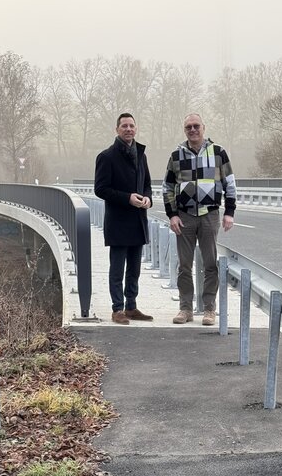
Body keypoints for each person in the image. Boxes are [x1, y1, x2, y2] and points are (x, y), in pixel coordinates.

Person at [162, 113, 236, 325]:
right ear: (184, 130)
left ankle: (209, 309)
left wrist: (229, 212)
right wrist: (172, 214)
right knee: (184, 265)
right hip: (184, 216)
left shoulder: (218, 152)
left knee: (210, 263)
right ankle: (185, 309)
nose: (192, 130)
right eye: (188, 127)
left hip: (209, 214)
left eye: (196, 126)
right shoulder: (176, 156)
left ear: (203, 127)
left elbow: (230, 184)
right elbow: (167, 187)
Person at [94, 112, 153, 324]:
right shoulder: (106, 156)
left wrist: (147, 198)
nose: (128, 129)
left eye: (131, 126)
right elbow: (100, 189)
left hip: (138, 220)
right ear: (117, 130)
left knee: (135, 269)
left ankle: (131, 306)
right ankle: (117, 309)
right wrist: (127, 198)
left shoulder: (141, 154)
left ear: (136, 129)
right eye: (124, 126)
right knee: (117, 268)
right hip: (118, 221)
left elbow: (146, 183)